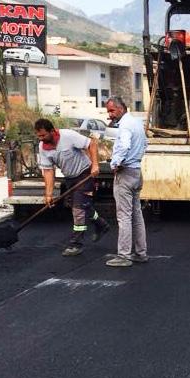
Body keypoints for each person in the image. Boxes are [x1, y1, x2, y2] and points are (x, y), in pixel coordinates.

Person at [34, 118, 109, 256]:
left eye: (43, 135)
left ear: (52, 131)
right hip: (69, 177)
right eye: (38, 136)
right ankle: (101, 224)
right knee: (83, 205)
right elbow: (48, 171)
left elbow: (91, 144)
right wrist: (49, 194)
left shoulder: (68, 136)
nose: (41, 138)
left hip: (85, 173)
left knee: (78, 209)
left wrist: (95, 164)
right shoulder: (42, 147)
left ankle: (76, 244)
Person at [104, 97, 148, 268]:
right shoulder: (136, 123)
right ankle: (140, 253)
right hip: (136, 172)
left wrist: (115, 163)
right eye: (108, 111)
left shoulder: (125, 126)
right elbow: (145, 144)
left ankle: (124, 255)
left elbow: (123, 145)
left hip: (125, 173)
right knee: (137, 215)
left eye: (112, 111)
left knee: (124, 216)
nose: (110, 115)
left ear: (121, 109)